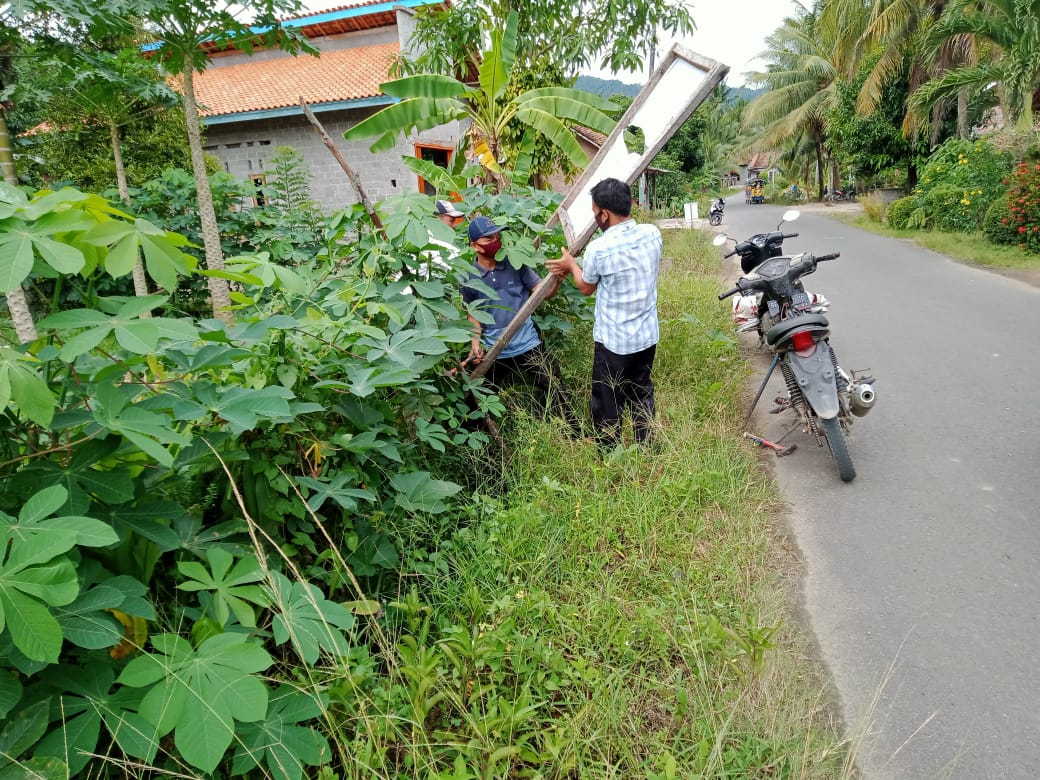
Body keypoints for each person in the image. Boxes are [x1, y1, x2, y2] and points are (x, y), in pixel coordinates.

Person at [546, 178, 662, 450]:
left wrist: (570, 265)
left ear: (604, 214)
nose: (595, 217)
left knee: (607, 397)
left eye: (595, 212)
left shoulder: (600, 248)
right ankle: (647, 446)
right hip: (646, 336)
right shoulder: (652, 234)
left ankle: (609, 452)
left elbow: (586, 287)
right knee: (641, 390)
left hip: (614, 342)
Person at [460, 215, 579, 432]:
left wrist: (557, 280)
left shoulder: (516, 263)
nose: (496, 241)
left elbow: (542, 293)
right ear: (474, 246)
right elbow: (473, 315)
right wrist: (475, 344)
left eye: (497, 236)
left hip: (527, 343)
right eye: (489, 239)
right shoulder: (468, 277)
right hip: (495, 350)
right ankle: (481, 445)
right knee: (476, 396)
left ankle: (574, 432)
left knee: (554, 386)